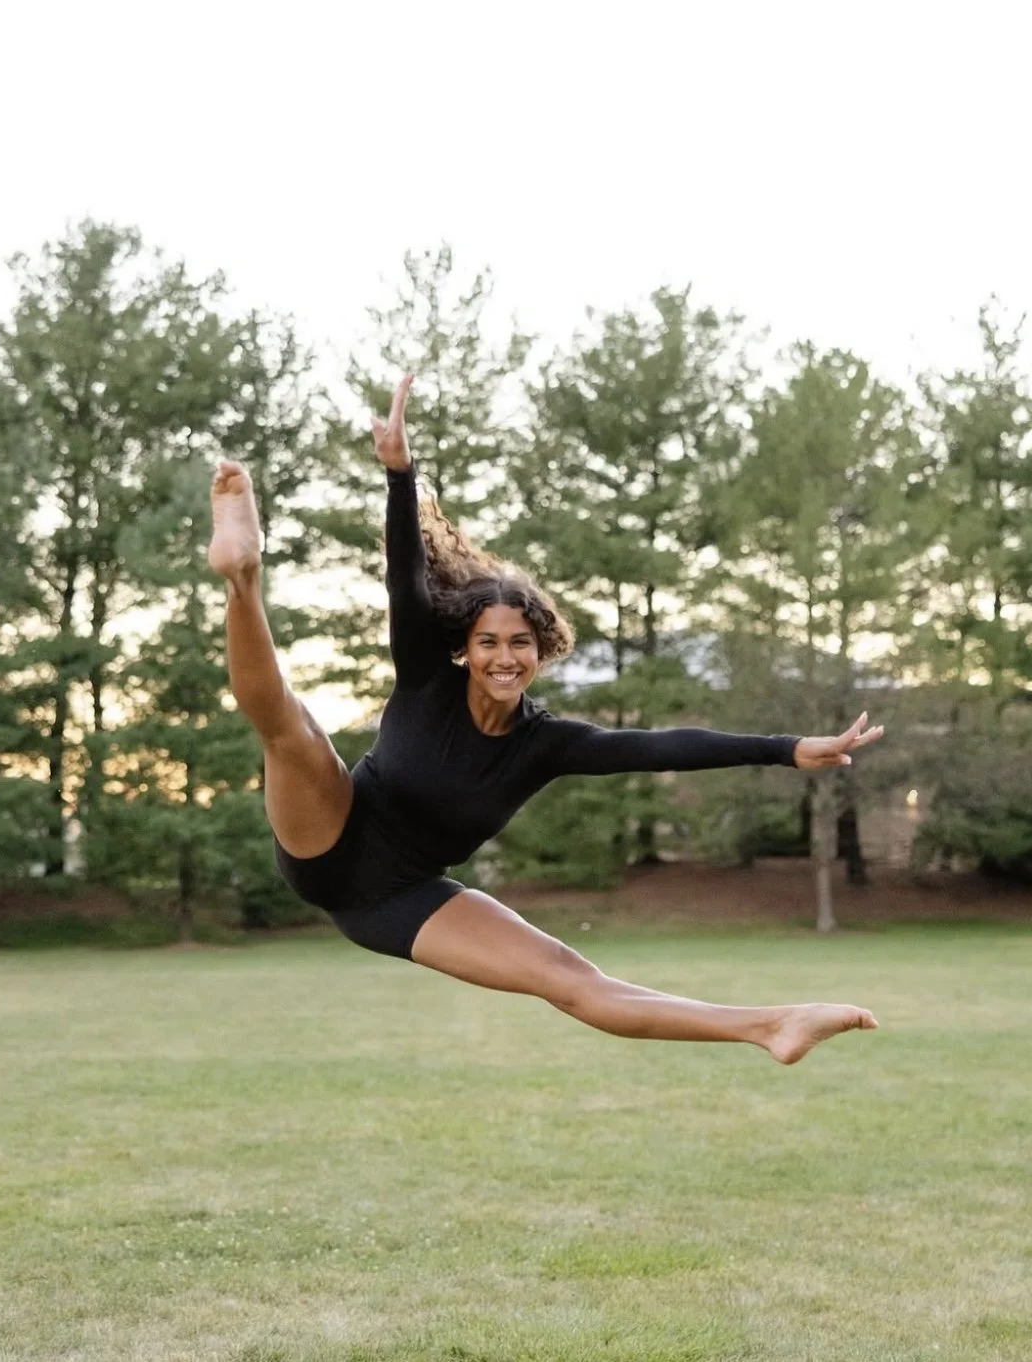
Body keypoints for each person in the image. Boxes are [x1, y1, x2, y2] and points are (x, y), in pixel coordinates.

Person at [208, 374, 883, 1064]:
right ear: (463, 650)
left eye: (519, 643)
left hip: (399, 898)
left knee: (572, 979)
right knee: (291, 728)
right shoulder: (425, 677)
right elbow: (404, 579)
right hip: (333, 833)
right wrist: (400, 475)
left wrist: (788, 748)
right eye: (488, 642)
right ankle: (242, 575)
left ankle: (770, 1025)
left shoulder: (546, 744)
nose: (504, 657)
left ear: (542, 648)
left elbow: (661, 747)